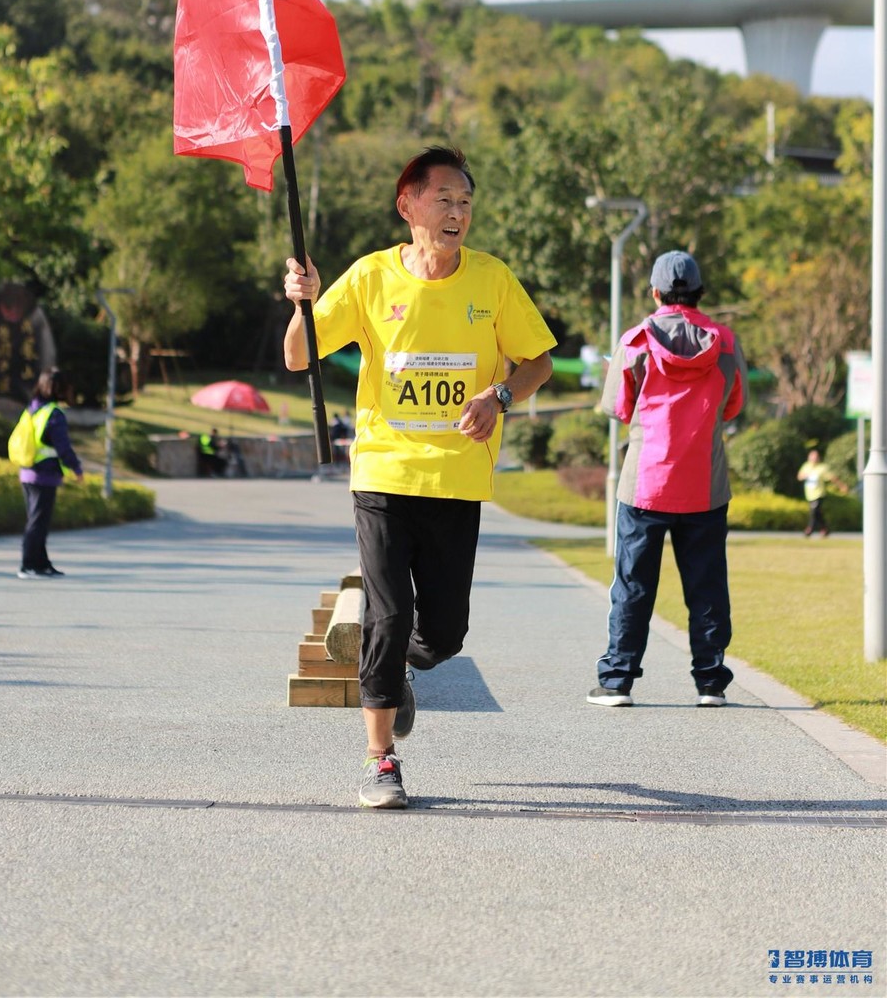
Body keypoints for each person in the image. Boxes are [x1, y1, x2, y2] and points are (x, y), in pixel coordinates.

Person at [284, 146, 555, 809]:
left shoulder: (491, 281)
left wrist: (500, 397)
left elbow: (538, 361)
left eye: (465, 202)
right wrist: (303, 303)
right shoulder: (372, 278)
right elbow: (298, 357)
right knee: (386, 614)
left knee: (444, 633)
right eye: (444, 199)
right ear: (408, 205)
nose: (457, 212)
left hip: (458, 478)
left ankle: (403, 665)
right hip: (382, 470)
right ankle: (381, 761)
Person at [588, 250, 748, 709]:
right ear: (699, 291)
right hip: (705, 483)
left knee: (633, 585)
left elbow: (618, 408)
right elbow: (733, 406)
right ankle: (710, 682)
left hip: (645, 484)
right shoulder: (726, 343)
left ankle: (617, 681)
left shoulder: (636, 340)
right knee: (707, 586)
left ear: (655, 292)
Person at [17, 369, 84, 578]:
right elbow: (63, 447)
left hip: (27, 473)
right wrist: (76, 468)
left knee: (37, 520)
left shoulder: (33, 409)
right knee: (38, 522)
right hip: (43, 476)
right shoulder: (54, 413)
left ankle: (42, 563)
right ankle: (28, 565)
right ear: (59, 388)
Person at [797, 448, 847, 537]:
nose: (814, 459)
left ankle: (809, 529)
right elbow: (799, 476)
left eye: (815, 457)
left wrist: (841, 486)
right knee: (818, 513)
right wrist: (805, 476)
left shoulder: (822, 468)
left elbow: (832, 478)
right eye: (812, 457)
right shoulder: (806, 466)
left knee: (814, 511)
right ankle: (824, 529)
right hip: (809, 494)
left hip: (818, 494)